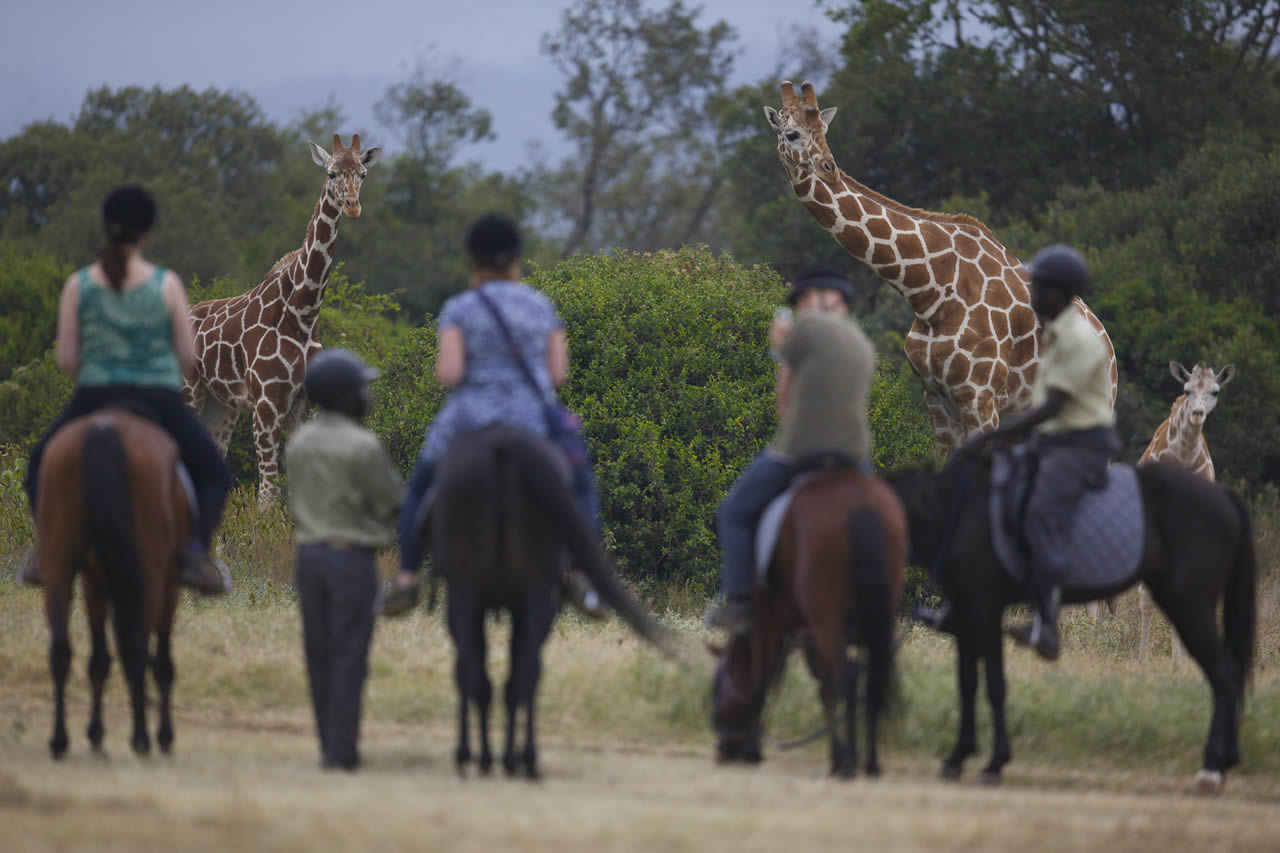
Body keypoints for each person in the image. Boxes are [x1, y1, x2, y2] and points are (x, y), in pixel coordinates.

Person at [379, 213, 604, 618]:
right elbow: (559, 374)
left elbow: (449, 374)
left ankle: (408, 580)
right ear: (516, 256)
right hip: (533, 421)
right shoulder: (541, 306)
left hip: (469, 419)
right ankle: (579, 575)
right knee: (582, 484)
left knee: (418, 486)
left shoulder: (460, 308)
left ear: (474, 258)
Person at [20, 185, 230, 595]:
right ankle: (195, 555)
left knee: (38, 466)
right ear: (145, 233)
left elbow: (66, 360)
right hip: (158, 397)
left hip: (94, 395)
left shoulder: (79, 285)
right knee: (214, 473)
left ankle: (47, 551)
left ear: (106, 228)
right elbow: (189, 357)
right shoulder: (166, 285)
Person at [956, 244, 1120, 661]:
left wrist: (991, 436)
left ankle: (1048, 625)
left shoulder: (1080, 339)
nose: (1030, 292)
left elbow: (1051, 407)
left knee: (1041, 514)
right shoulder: (1055, 333)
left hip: (1081, 443)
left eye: (1038, 286)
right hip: (1053, 440)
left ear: (1059, 292)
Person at [704, 264, 875, 635]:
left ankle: (740, 602)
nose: (800, 307)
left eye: (801, 300)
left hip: (801, 448)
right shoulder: (862, 340)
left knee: (734, 512)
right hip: (856, 455)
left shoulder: (807, 328)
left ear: (817, 299)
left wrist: (781, 339)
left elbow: (785, 386)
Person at [284, 348, 402, 771]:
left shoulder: (297, 443)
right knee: (350, 653)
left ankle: (325, 745)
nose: (365, 395)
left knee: (317, 652)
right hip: (351, 561)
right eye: (359, 388)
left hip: (309, 558)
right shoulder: (363, 445)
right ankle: (343, 749)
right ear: (343, 395)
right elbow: (391, 501)